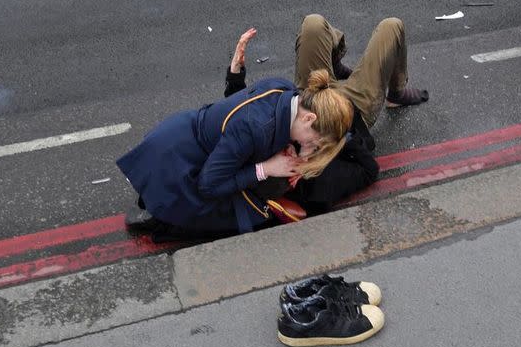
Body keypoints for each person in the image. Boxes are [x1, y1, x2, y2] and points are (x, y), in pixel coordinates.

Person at [118, 59, 354, 240]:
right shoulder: (254, 129)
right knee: (246, 216)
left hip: (184, 137)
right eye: (314, 142)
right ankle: (163, 215)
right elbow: (208, 185)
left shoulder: (284, 89)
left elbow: (239, 114)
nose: (311, 147)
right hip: (179, 165)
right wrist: (266, 168)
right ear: (309, 118)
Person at [225, 14, 428, 214]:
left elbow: (241, 117)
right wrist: (341, 133)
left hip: (313, 94)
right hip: (352, 108)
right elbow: (369, 170)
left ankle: (333, 65)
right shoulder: (320, 186)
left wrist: (235, 74)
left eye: (284, 155)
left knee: (313, 24)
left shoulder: (267, 145)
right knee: (392, 27)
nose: (289, 152)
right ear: (294, 177)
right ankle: (397, 91)